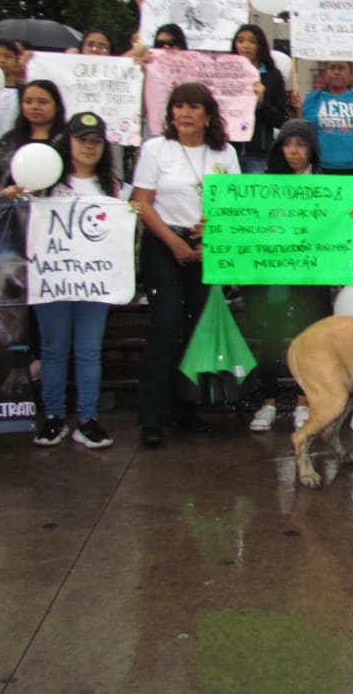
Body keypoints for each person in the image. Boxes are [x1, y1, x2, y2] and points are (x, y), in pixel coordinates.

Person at [130, 82, 241, 446]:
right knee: (166, 326)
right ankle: (151, 416)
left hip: (207, 249)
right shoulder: (155, 150)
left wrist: (212, 236)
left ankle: (185, 409)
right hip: (164, 244)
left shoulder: (225, 154)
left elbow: (233, 206)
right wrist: (175, 242)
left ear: (208, 115)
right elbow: (142, 203)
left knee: (197, 328)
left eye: (194, 107)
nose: (185, 114)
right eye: (178, 107)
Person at [33, 112, 125, 449]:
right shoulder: (46, 181)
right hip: (53, 280)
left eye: (96, 141)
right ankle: (54, 417)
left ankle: (88, 420)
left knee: (88, 351)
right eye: (82, 139)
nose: (89, 147)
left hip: (94, 282)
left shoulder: (112, 186)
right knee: (54, 350)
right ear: (67, 141)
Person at [242, 119, 330, 433]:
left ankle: (306, 399)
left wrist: (352, 218)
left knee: (311, 336)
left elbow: (334, 227)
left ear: (311, 149)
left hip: (312, 271)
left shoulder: (327, 185)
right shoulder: (265, 183)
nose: (293, 151)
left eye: (300, 145)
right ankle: (268, 400)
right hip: (275, 271)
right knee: (272, 333)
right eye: (287, 144)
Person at [297, 60, 353, 201]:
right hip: (321, 168)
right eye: (332, 68)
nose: (337, 72)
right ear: (325, 74)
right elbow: (303, 132)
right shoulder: (313, 99)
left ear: (352, 75)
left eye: (341, 68)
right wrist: (297, 110)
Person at [0, 80, 67, 198]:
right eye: (28, 102)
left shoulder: (66, 140)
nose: (34, 107)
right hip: (13, 211)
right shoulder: (9, 140)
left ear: (57, 106)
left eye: (42, 102)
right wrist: (4, 193)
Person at [230, 23, 289, 174]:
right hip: (228, 150)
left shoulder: (273, 76)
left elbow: (281, 119)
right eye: (241, 40)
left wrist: (262, 102)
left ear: (260, 45)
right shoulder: (226, 74)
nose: (246, 45)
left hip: (258, 153)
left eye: (252, 41)